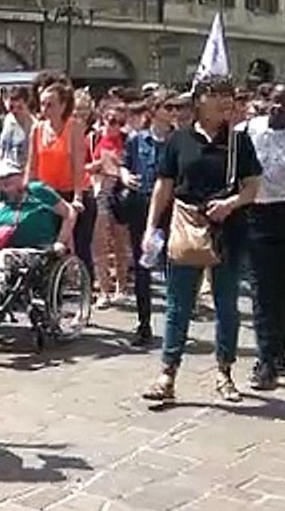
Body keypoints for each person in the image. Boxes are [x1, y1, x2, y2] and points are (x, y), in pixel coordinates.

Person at [140, 75, 263, 404]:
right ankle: (167, 373)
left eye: (229, 95)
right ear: (199, 100)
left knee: (227, 306)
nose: (226, 101)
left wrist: (231, 204)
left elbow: (252, 186)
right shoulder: (179, 140)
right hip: (187, 227)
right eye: (217, 94)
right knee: (178, 305)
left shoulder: (240, 143)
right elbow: (163, 187)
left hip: (229, 231)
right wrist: (151, 228)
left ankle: (224, 372)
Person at [242, 80, 285, 390]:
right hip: (258, 214)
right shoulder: (247, 130)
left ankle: (278, 352)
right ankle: (265, 360)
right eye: (274, 100)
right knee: (262, 290)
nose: (278, 107)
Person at [0, 159, 77, 316]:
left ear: (20, 176)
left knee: (2, 256)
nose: (5, 182)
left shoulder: (37, 191)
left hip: (36, 250)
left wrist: (60, 242)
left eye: (9, 177)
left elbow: (70, 212)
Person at [120, 87, 176, 347]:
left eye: (176, 108)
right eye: (169, 108)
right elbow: (124, 163)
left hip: (171, 209)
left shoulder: (180, 140)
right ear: (154, 111)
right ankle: (144, 325)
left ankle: (176, 325)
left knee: (173, 268)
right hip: (141, 207)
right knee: (143, 266)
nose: (174, 113)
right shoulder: (137, 139)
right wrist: (124, 175)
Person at [25, 82, 96, 284]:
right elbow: (32, 166)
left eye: (50, 105)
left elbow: (78, 166)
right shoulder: (37, 129)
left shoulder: (74, 127)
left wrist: (77, 197)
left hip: (72, 192)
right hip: (48, 194)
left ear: (63, 105)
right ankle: (51, 288)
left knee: (81, 245)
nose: (45, 110)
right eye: (43, 105)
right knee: (48, 244)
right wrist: (26, 193)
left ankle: (86, 288)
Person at [90, 105, 130, 308]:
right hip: (100, 192)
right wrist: (98, 165)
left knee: (120, 243)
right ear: (103, 119)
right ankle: (104, 290)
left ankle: (121, 287)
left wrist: (109, 165)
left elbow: (123, 166)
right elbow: (89, 165)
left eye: (121, 123)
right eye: (113, 121)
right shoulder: (93, 139)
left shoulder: (127, 141)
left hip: (120, 193)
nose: (117, 127)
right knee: (100, 244)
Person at [0, 86, 34, 170]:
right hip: (1, 173)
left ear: (27, 104)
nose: (15, 111)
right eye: (11, 107)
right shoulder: (2, 121)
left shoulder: (34, 125)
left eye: (19, 107)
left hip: (20, 173)